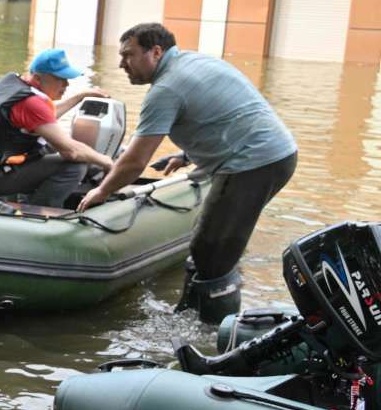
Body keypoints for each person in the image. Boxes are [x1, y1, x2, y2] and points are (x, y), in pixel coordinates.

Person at [78, 22, 297, 321]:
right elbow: (224, 112)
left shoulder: (166, 89)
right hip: (276, 154)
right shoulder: (194, 61)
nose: (121, 64)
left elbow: (134, 161)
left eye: (129, 55)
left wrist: (102, 191)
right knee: (211, 243)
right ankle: (190, 314)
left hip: (252, 162)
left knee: (210, 252)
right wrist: (186, 155)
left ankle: (215, 332)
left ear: (156, 52)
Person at [0, 49, 114, 208]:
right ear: (37, 78)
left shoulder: (12, 87)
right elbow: (72, 152)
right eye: (60, 79)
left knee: (48, 148)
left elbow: (42, 117)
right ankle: (40, 215)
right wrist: (106, 162)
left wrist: (80, 96)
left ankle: (26, 203)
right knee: (74, 166)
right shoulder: (30, 104)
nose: (66, 85)